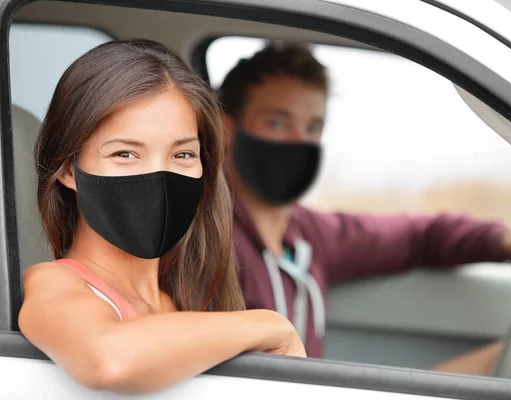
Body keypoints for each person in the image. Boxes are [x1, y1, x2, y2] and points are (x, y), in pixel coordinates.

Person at [218, 42, 511, 375]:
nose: (300, 142)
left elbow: (419, 236)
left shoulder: (310, 237)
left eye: (313, 127)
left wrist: (510, 242)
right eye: (277, 123)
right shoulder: (207, 237)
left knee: (499, 360)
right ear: (225, 128)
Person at [18, 39, 306, 395]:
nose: (159, 176)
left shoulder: (192, 298)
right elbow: (109, 359)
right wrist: (270, 325)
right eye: (125, 153)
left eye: (183, 155)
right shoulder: (53, 285)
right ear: (68, 170)